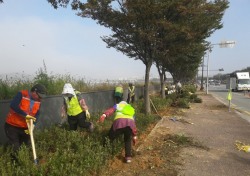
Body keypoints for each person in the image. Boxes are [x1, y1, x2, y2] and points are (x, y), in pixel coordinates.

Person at [4, 83, 47, 161]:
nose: (40, 98)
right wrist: (25, 116)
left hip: (25, 127)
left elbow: (37, 113)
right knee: (15, 147)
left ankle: (25, 163)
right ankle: (15, 165)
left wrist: (33, 124)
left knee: (25, 146)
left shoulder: (38, 101)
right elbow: (13, 106)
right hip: (12, 126)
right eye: (39, 96)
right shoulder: (22, 94)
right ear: (34, 92)